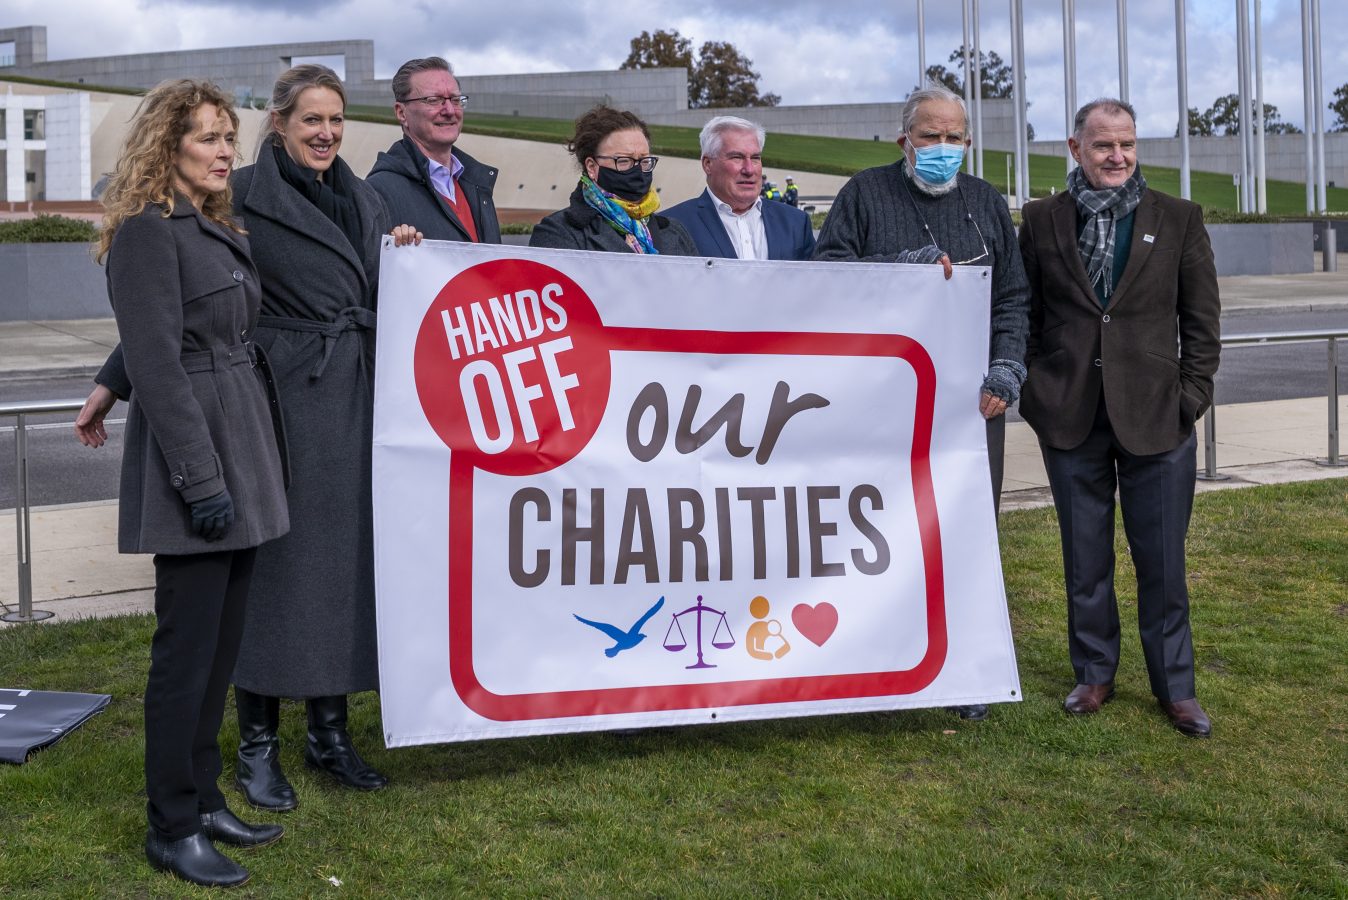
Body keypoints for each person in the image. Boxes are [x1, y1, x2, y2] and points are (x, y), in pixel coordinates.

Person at [80, 65, 423, 812]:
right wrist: (118, 378)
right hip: (276, 408)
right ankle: (257, 745)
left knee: (342, 573)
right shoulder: (240, 201)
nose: (326, 133)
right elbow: (172, 311)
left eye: (336, 120)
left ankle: (329, 733)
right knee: (273, 582)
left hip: (353, 403)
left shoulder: (363, 198)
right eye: (311, 121)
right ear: (281, 124)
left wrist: (403, 256)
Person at [89, 78, 289, 887]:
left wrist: (106, 379)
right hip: (196, 457)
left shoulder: (206, 224)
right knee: (185, 652)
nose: (222, 151)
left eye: (226, 137)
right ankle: (171, 824)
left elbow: (175, 329)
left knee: (219, 649)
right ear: (165, 146)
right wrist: (200, 481)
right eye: (205, 137)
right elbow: (160, 360)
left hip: (242, 440)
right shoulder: (145, 231)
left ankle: (204, 796)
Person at [813, 82, 1029, 723]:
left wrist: (1008, 366)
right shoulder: (863, 195)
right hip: (884, 408)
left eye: (953, 137)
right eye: (929, 136)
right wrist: (902, 268)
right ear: (903, 139)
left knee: (967, 534)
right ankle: (873, 656)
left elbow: (1014, 295)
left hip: (973, 407)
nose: (941, 148)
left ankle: (965, 671)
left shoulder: (986, 202)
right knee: (879, 530)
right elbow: (826, 275)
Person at [1017, 99, 1220, 737]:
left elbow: (1203, 323)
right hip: (1070, 414)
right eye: (1104, 145)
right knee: (1085, 558)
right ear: (1074, 149)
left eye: (1127, 144)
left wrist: (1190, 397)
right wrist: (1036, 391)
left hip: (1159, 419)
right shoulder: (1042, 219)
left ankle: (1175, 687)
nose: (1118, 157)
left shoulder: (1178, 218)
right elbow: (1023, 311)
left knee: (1162, 560)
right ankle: (1095, 672)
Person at [366, 56, 501, 243]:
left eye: (455, 99)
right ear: (401, 112)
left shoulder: (476, 183)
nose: (449, 110)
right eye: (433, 100)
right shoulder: (379, 192)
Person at [529, 106, 697, 255]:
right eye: (624, 161)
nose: (638, 171)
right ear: (592, 167)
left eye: (644, 160)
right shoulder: (558, 233)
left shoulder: (674, 231)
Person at [663, 116, 815, 261]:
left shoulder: (796, 223)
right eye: (737, 157)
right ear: (708, 164)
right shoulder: (670, 225)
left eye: (755, 158)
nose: (749, 169)